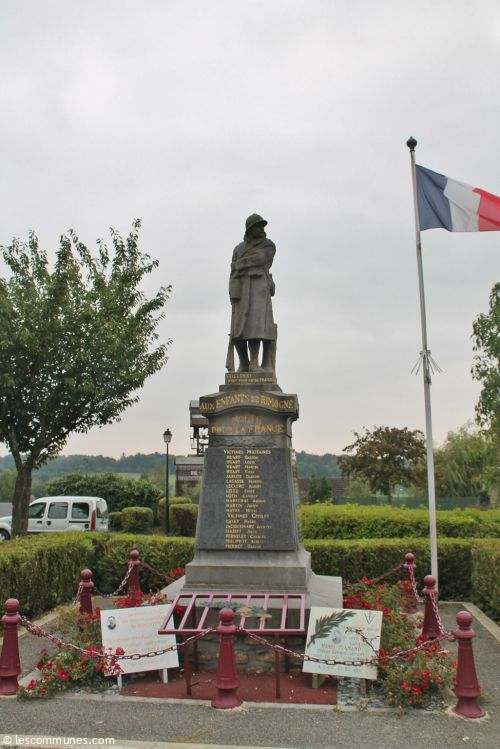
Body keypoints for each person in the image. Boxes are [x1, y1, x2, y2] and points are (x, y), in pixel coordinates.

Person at [226, 214, 277, 373]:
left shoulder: (268, 245)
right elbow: (232, 272)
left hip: (258, 287)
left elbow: (261, 259)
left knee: (255, 327)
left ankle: (254, 363)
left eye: (262, 226)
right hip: (241, 289)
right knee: (238, 329)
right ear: (250, 229)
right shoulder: (238, 249)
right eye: (258, 226)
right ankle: (244, 363)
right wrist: (232, 291)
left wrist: (239, 265)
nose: (261, 229)